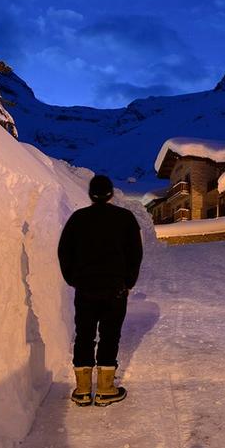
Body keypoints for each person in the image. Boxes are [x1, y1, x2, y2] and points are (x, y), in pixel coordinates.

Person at [57, 174, 143, 407]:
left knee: (84, 334)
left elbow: (64, 252)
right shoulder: (124, 218)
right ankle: (105, 389)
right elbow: (135, 253)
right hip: (115, 289)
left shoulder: (78, 219)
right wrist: (128, 281)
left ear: (91, 194)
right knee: (109, 335)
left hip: (85, 290)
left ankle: (83, 390)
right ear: (111, 193)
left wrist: (73, 279)